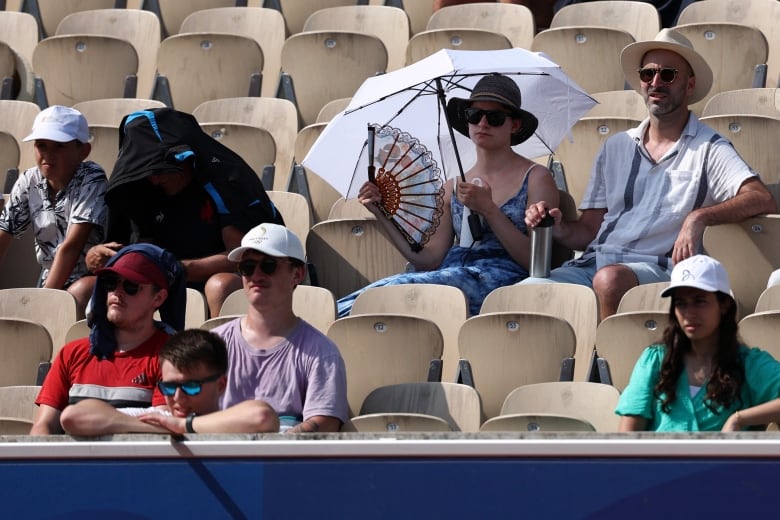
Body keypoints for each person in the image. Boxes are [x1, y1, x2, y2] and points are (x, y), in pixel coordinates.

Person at [523, 29, 776, 320]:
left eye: (668, 75)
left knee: (609, 280)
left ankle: (608, 361)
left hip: (660, 270)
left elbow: (761, 198)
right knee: (525, 291)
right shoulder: (615, 146)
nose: (656, 82)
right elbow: (589, 232)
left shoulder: (709, 147)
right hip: (593, 264)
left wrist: (699, 217)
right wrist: (558, 227)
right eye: (647, 74)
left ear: (689, 84)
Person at [337, 73, 560, 317]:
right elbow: (427, 260)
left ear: (514, 125)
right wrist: (381, 213)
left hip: (503, 281)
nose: (482, 124)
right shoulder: (452, 185)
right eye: (475, 116)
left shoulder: (536, 177)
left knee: (397, 291)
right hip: (449, 274)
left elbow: (536, 263)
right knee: (372, 295)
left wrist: (489, 210)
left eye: (494, 118)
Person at [82, 108, 284, 318]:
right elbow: (140, 248)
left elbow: (242, 255)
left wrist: (175, 268)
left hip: (217, 279)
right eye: (148, 172)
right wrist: (99, 257)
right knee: (87, 287)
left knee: (220, 285)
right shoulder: (139, 189)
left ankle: (217, 348)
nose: (154, 179)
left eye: (160, 170)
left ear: (186, 158)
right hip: (161, 281)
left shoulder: (223, 181)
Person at [30, 243, 185, 435]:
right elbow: (43, 426)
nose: (117, 292)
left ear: (158, 298)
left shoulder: (171, 357)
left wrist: (98, 421)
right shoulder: (72, 353)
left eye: (131, 286)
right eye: (111, 282)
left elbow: (166, 424)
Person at [616, 255, 780, 432]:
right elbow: (627, 439)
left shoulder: (749, 363)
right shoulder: (655, 359)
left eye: (700, 301)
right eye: (681, 303)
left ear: (723, 305)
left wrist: (739, 418)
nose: (689, 313)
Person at [212, 223, 349, 433]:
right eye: (247, 267)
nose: (256, 275)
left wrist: (271, 449)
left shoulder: (321, 352)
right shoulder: (214, 344)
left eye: (268, 265)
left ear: (297, 274)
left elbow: (325, 423)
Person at [59, 329, 280, 435]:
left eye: (190, 386)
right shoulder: (157, 419)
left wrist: (183, 427)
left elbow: (262, 416)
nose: (177, 398)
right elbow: (73, 416)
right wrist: (165, 430)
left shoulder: (232, 420)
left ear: (221, 385)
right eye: (169, 386)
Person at [0, 105, 107, 317]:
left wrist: (44, 302)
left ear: (83, 151)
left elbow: (71, 246)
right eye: (41, 145)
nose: (48, 155)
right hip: (50, 279)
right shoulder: (29, 179)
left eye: (59, 146)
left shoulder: (92, 178)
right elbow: (4, 233)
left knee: (78, 293)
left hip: (90, 278)